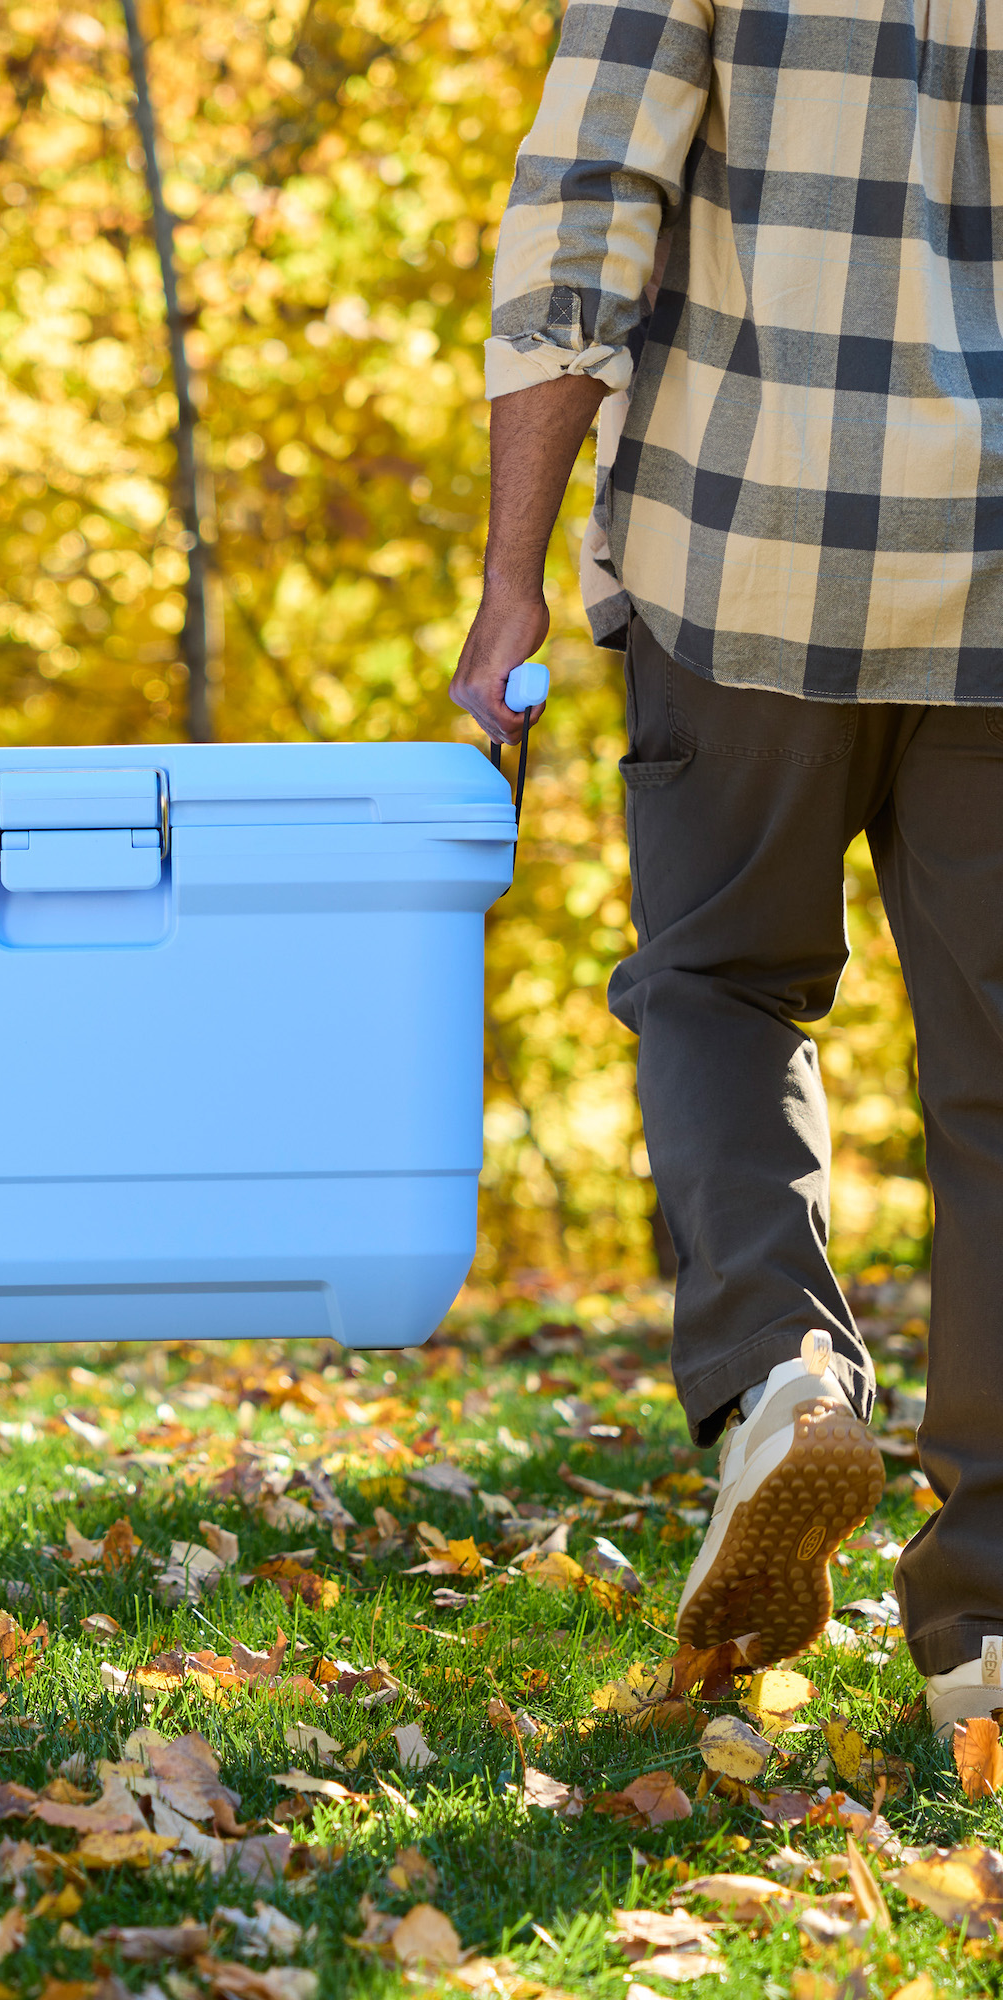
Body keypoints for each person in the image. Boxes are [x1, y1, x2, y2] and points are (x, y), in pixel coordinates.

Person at [454, 0, 1003, 1735]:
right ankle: (987, 1635)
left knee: (722, 985)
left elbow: (583, 204)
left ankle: (779, 1375)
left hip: (741, 549)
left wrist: (512, 578)